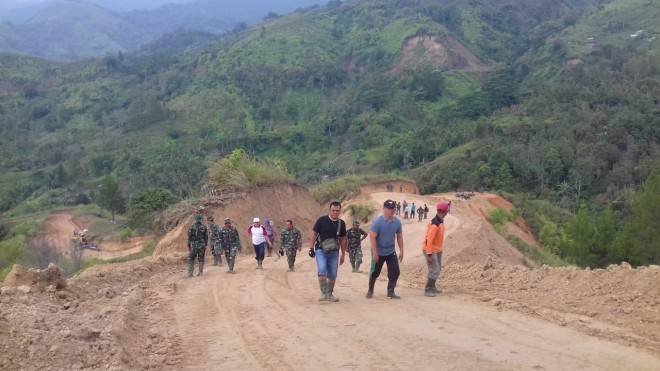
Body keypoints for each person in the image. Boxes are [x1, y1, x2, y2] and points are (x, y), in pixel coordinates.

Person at [310, 201, 347, 302]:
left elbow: (343, 239)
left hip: (334, 252)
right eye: (333, 210)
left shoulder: (341, 223)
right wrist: (311, 248)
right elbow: (314, 233)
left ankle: (330, 294)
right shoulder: (322, 220)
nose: (335, 212)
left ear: (340, 211)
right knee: (322, 270)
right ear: (329, 210)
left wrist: (343, 254)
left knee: (333, 274)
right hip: (320, 250)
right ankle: (324, 293)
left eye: (337, 211)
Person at [366, 199, 404, 299]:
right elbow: (372, 237)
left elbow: (399, 237)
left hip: (391, 251)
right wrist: (375, 253)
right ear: (384, 209)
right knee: (375, 272)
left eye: (393, 208)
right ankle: (370, 290)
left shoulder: (397, 222)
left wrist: (402, 251)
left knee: (395, 271)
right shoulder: (378, 222)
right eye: (389, 208)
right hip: (378, 251)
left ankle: (390, 291)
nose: (391, 210)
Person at [422, 202, 450, 297]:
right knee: (435, 270)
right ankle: (428, 289)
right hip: (430, 249)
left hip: (437, 249)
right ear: (446, 211)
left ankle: (432, 287)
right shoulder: (435, 224)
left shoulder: (440, 221)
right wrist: (429, 254)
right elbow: (428, 240)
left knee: (437, 268)